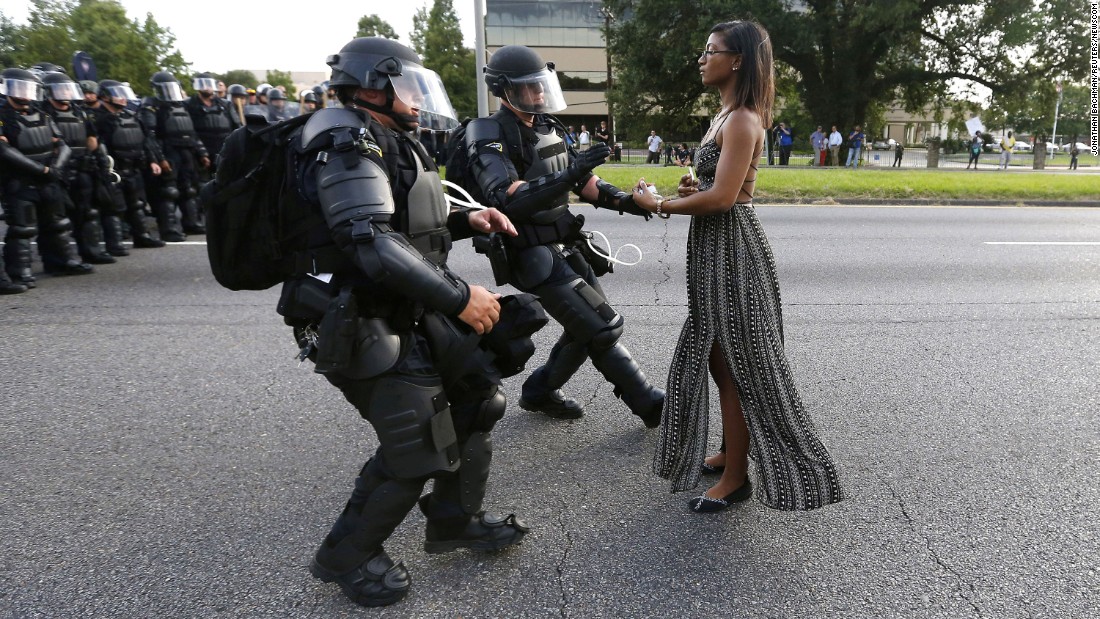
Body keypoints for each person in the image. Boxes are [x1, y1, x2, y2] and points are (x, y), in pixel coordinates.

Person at [281, 37, 532, 608]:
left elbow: (405, 221)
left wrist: (470, 219)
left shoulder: (382, 138)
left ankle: (453, 519)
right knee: (417, 445)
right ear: (372, 86)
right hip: (357, 316)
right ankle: (346, 556)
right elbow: (370, 241)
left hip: (402, 305)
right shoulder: (344, 140)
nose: (418, 100)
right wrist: (459, 296)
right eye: (408, 87)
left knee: (477, 399)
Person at [630, 21, 843, 513]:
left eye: (711, 51)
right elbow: (715, 187)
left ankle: (736, 477)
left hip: (733, 252)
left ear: (738, 60)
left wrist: (659, 204)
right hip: (714, 248)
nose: (702, 59)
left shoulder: (744, 119)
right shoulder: (724, 115)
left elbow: (726, 198)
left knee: (738, 364)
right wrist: (691, 188)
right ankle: (731, 450)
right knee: (717, 357)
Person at [461, 44, 665, 426]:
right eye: (530, 87)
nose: (539, 94)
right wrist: (569, 176)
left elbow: (584, 181)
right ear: (504, 89)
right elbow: (505, 196)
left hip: (565, 243)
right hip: (529, 251)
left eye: (542, 85)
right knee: (602, 327)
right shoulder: (487, 131)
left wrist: (629, 202)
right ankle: (650, 404)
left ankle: (539, 392)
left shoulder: (547, 126)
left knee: (585, 328)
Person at [1, 67, 95, 287]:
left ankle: (62, 261)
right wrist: (41, 170)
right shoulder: (3, 116)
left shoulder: (43, 114)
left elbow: (62, 144)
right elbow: (4, 151)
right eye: (19, 88)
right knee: (23, 228)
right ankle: (19, 271)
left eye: (28, 88)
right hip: (20, 180)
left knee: (58, 223)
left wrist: (55, 168)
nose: (24, 94)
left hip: (49, 177)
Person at [40, 70, 115, 264]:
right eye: (60, 90)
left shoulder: (80, 111)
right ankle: (57, 260)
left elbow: (92, 139)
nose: (65, 93)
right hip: (57, 171)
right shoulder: (42, 112)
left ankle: (91, 252)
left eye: (67, 89)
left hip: (82, 168)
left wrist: (99, 161)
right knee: (56, 219)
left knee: (87, 213)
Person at [93, 79, 167, 251]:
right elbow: (96, 146)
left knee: (137, 204)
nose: (123, 99)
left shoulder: (131, 116)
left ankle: (142, 236)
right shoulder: (99, 119)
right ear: (105, 97)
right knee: (114, 208)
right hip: (114, 170)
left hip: (134, 168)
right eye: (117, 95)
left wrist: (152, 161)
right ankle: (115, 244)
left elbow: (145, 141)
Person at [141, 71, 210, 238]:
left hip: (187, 151)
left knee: (189, 190)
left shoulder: (182, 106)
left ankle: (191, 223)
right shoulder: (151, 106)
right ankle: (169, 229)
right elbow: (150, 136)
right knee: (168, 191)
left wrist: (202, 153)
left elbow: (191, 132)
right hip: (168, 150)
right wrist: (160, 158)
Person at [184, 73, 238, 159]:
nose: (207, 87)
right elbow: (188, 130)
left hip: (225, 150)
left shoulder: (226, 104)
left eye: (209, 84)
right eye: (203, 84)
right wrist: (201, 152)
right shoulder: (188, 104)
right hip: (201, 153)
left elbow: (237, 126)